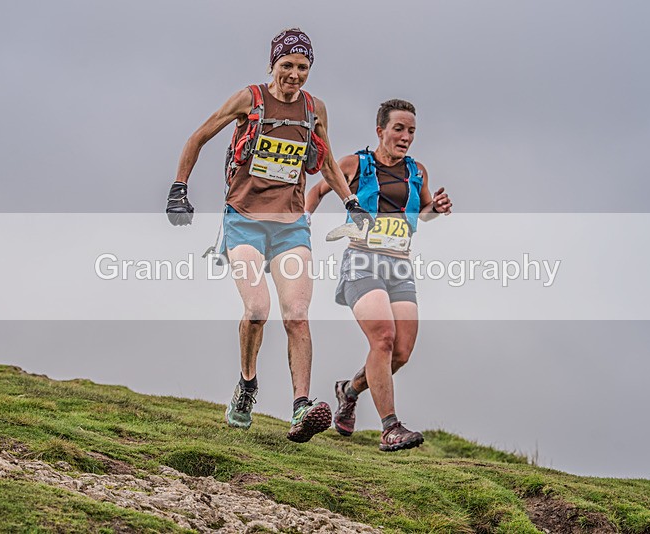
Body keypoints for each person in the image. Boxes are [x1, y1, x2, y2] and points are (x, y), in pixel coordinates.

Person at [166, 28, 372, 443]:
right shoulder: (250, 99)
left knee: (296, 313)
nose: (294, 75)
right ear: (272, 65)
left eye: (302, 68)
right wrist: (179, 188)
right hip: (243, 220)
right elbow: (198, 136)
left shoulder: (316, 109)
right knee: (257, 309)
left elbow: (327, 161)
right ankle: (246, 386)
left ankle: (301, 407)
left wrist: (350, 201)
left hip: (291, 225)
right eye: (287, 66)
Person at [305, 99, 452, 451]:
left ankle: (349, 390)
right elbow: (317, 190)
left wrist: (437, 209)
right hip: (362, 260)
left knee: (400, 352)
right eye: (398, 129)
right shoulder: (355, 164)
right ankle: (391, 428)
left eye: (411, 131)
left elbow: (424, 212)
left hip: (399, 265)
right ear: (380, 131)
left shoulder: (417, 171)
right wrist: (302, 222)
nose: (405, 137)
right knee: (383, 338)